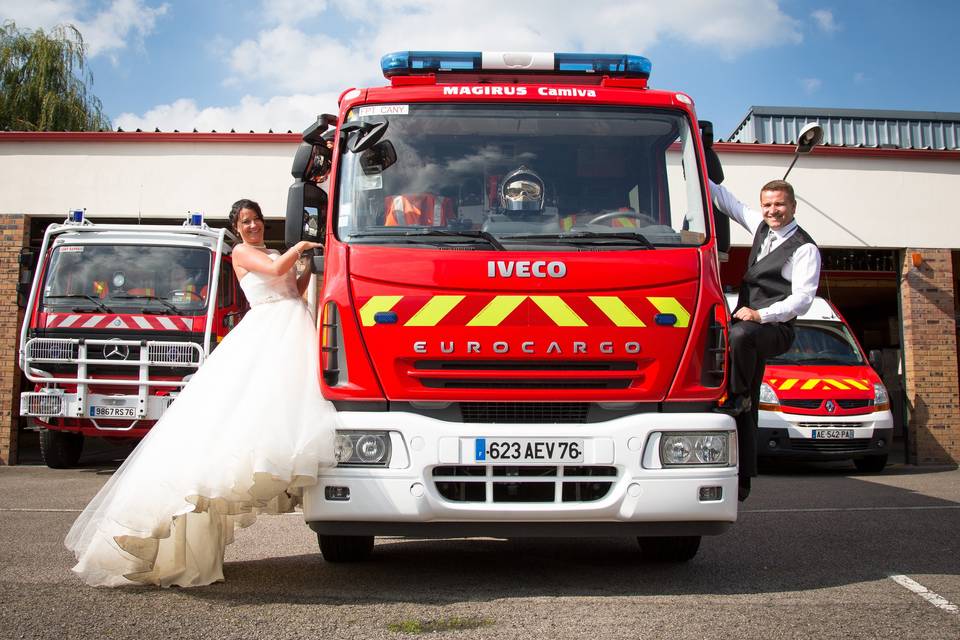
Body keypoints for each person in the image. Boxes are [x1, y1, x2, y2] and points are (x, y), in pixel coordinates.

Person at [65, 199, 335, 587]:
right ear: (237, 228)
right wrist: (302, 247)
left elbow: (291, 285)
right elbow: (276, 271)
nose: (254, 225)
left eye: (257, 219)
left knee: (278, 412)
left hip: (293, 323)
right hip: (268, 331)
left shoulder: (273, 252)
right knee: (237, 415)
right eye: (246, 221)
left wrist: (306, 269)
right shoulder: (242, 252)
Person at [710, 179, 821, 501]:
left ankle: (739, 394)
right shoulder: (762, 228)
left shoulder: (804, 248)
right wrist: (698, 163)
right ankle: (743, 478)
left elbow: (802, 300)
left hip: (777, 328)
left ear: (793, 207)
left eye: (780, 205)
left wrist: (762, 315)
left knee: (740, 335)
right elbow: (727, 202)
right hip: (750, 325)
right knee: (730, 336)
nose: (773, 211)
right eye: (768, 205)